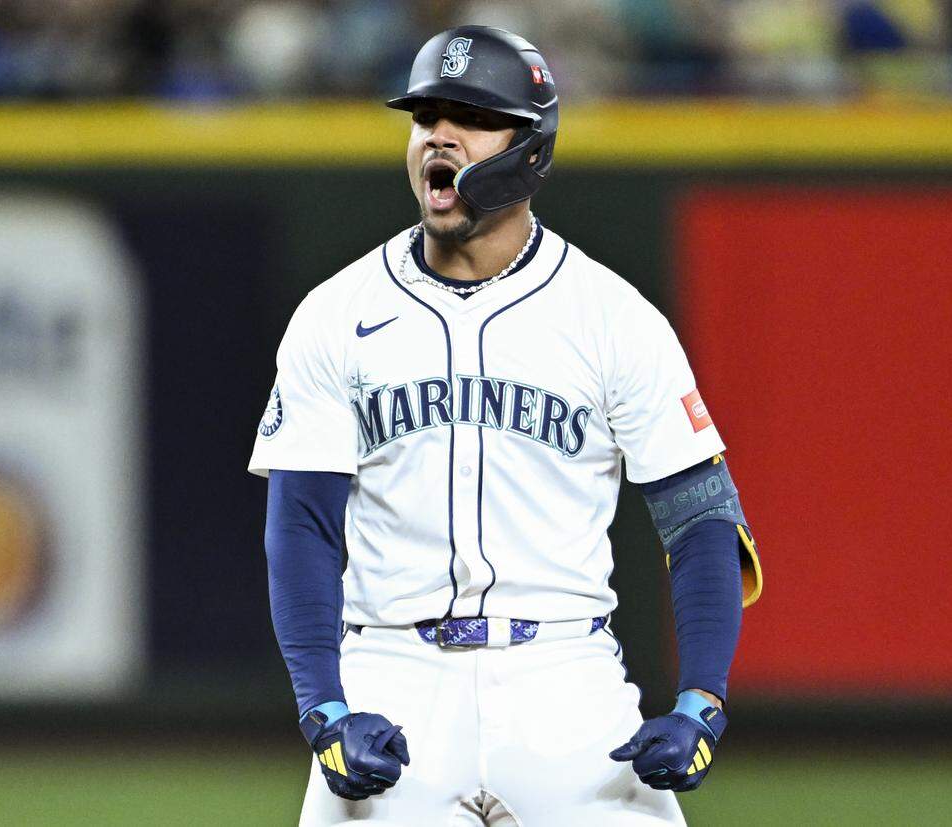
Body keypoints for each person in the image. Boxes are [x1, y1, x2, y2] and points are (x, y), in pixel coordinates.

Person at [248, 25, 762, 827]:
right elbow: (302, 527)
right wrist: (323, 707)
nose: (437, 137)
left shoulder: (611, 317)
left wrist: (701, 700)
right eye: (424, 118)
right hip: (392, 672)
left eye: (470, 116)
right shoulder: (336, 313)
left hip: (566, 678)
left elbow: (700, 522)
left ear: (528, 148)